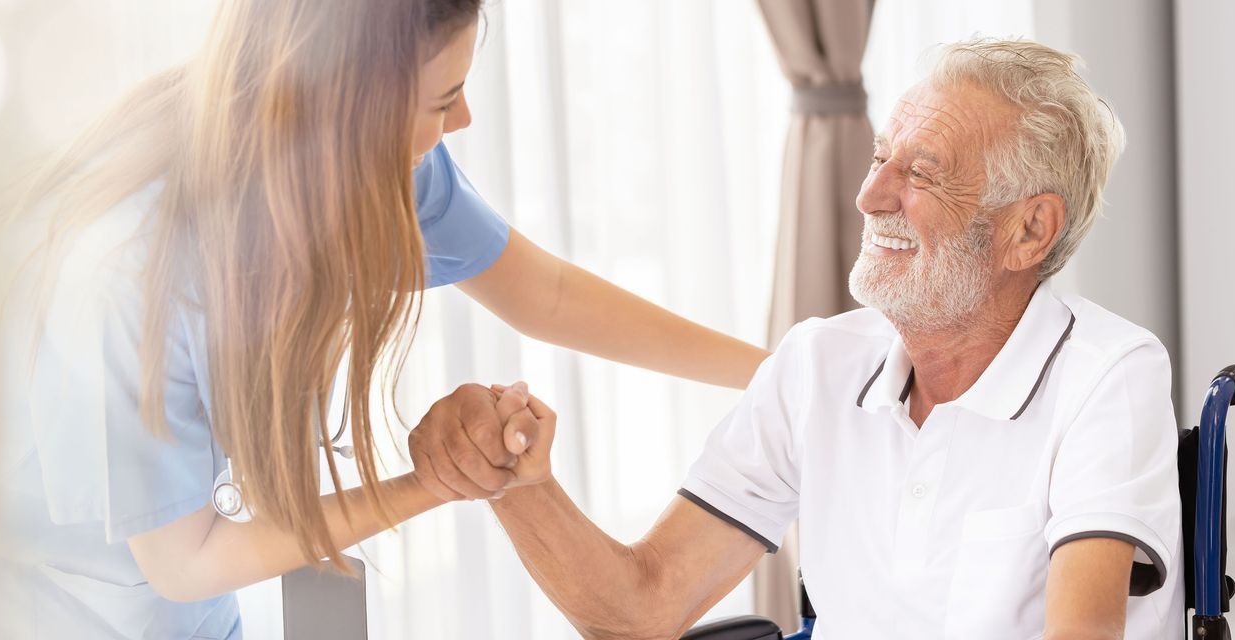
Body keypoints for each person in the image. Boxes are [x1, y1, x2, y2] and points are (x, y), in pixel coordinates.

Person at [0, 0, 766, 637]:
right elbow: (184, 559)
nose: (462, 119)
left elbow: (549, 296)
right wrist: (436, 480)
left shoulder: (380, 171)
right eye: (440, 100)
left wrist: (784, 371)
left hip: (192, 611)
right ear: (342, 105)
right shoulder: (135, 270)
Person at [418, 38, 1183, 639]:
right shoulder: (817, 364)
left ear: (1028, 230)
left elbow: (1083, 631)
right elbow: (642, 611)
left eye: (920, 171)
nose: (869, 193)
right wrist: (520, 484)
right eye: (882, 157)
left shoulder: (1109, 373)